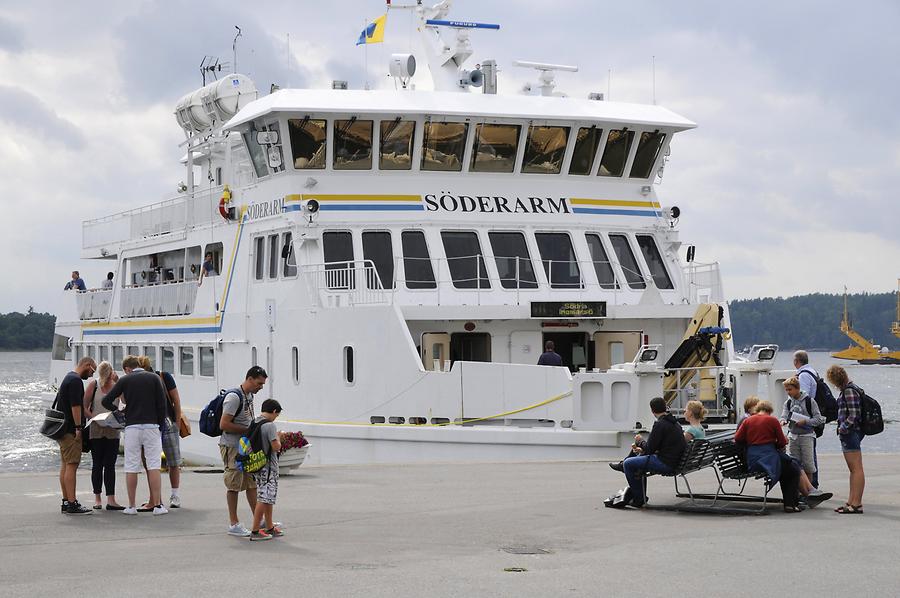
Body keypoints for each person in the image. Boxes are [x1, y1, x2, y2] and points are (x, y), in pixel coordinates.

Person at [734, 400, 831, 512]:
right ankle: (794, 502)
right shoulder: (772, 420)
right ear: (769, 411)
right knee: (793, 469)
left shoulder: (748, 421)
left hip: (753, 459)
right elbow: (782, 442)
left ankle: (807, 495)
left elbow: (737, 438)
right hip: (768, 459)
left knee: (792, 465)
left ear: (758, 410)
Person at [101, 355, 168, 515]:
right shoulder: (154, 378)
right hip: (151, 425)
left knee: (131, 466)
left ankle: (131, 506)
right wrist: (159, 424)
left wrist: (119, 411)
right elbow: (162, 405)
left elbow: (106, 401)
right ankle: (158, 506)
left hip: (132, 427)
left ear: (127, 368)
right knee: (153, 465)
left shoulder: (125, 380)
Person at [220, 366, 268, 537]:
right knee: (233, 484)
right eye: (259, 383)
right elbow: (224, 424)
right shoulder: (234, 397)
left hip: (244, 446)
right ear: (249, 379)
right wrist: (247, 430)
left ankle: (259, 519)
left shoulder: (249, 395)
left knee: (250, 483)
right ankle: (234, 523)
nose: (261, 387)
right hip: (232, 446)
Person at [618, 397, 687, 508]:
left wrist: (640, 441)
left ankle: (638, 498)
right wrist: (644, 449)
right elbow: (660, 446)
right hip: (675, 460)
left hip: (666, 463)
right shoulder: (675, 423)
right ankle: (638, 495)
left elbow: (649, 449)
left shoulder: (660, 425)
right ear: (665, 407)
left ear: (652, 411)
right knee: (635, 460)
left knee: (628, 464)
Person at [136, 355, 183, 509]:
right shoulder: (141, 380)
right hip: (150, 424)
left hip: (167, 422)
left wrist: (176, 422)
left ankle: (174, 495)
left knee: (172, 461)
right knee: (152, 462)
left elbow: (175, 399)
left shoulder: (164, 377)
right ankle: (156, 498)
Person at [608, 399, 704, 472]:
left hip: (673, 462)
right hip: (686, 460)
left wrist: (641, 441)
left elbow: (675, 445)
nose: (684, 411)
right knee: (640, 451)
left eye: (685, 410)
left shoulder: (691, 430)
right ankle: (624, 464)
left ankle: (624, 464)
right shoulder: (696, 428)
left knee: (632, 460)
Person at [55, 357, 96, 515]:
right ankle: (72, 503)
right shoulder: (76, 381)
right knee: (72, 465)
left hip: (62, 429)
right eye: (92, 370)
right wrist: (79, 427)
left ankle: (66, 501)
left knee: (65, 465)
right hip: (70, 430)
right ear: (86, 365)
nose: (92, 375)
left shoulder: (68, 377)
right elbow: (75, 406)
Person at [82, 361, 125, 510]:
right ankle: (98, 498)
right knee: (97, 464)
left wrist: (119, 382)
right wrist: (94, 417)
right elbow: (84, 407)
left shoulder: (116, 385)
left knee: (110, 465)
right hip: (97, 428)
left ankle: (111, 499)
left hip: (113, 429)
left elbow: (124, 401)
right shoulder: (93, 385)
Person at [826, 365, 865, 514]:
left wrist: (843, 428)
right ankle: (851, 501)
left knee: (856, 469)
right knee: (853, 470)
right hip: (852, 433)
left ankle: (857, 504)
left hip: (850, 433)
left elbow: (854, 415)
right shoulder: (850, 389)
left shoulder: (848, 391)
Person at [780, 376, 825, 494]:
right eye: (786, 390)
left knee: (808, 464)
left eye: (790, 389)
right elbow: (784, 415)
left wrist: (806, 421)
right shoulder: (788, 402)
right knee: (795, 464)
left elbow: (818, 419)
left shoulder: (810, 401)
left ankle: (809, 490)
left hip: (807, 435)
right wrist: (783, 420)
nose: (788, 392)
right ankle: (800, 492)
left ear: (797, 388)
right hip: (793, 435)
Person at [249, 399, 284, 541]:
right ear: (274, 411)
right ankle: (255, 531)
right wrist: (279, 437)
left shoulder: (255, 422)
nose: (276, 418)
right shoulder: (269, 426)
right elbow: (276, 447)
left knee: (268, 498)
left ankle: (269, 527)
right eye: (277, 415)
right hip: (269, 467)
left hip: (258, 465)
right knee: (263, 499)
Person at [793, 350, 822, 487]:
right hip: (810, 416)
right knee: (810, 452)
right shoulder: (812, 372)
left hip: (804, 419)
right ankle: (811, 483)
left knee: (807, 454)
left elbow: (802, 396)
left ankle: (810, 485)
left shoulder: (803, 375)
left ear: (796, 361)